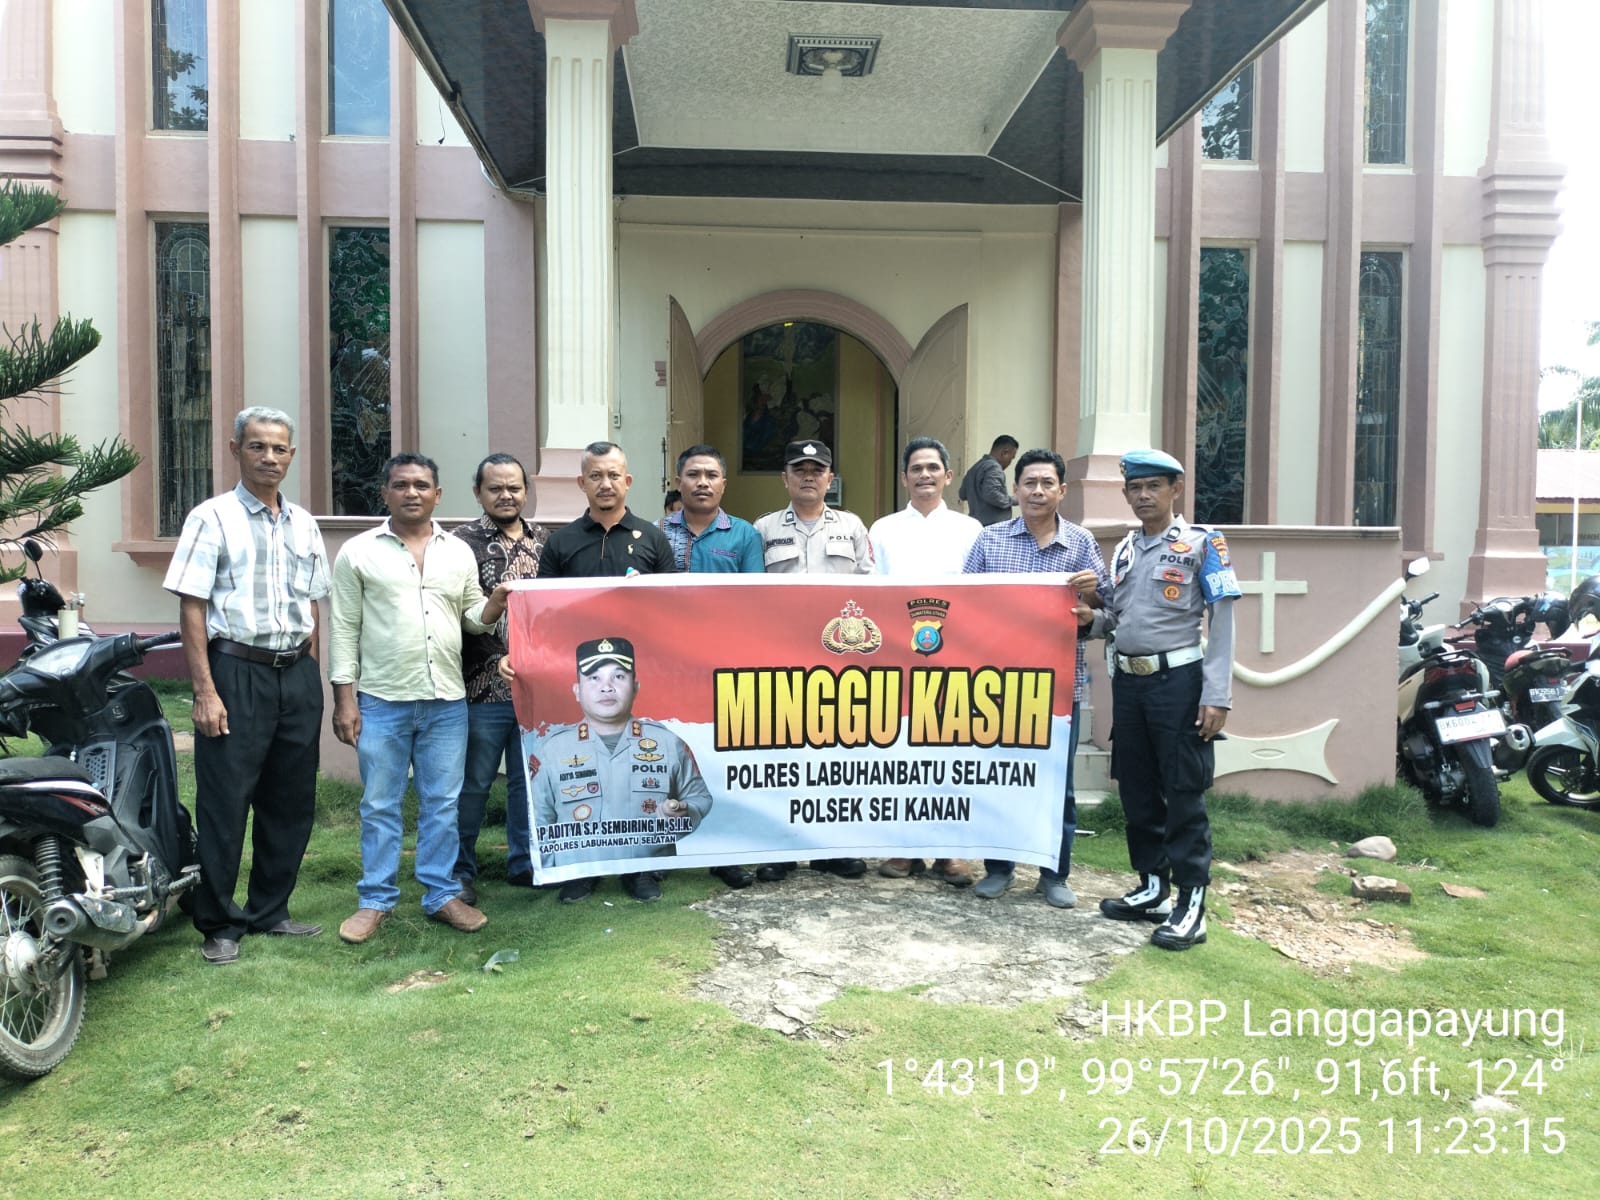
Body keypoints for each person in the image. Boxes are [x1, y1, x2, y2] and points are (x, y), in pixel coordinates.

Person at [164, 407, 330, 965]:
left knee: (290, 798)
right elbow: (192, 607)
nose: (269, 458)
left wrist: (310, 673)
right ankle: (219, 922)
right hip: (235, 671)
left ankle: (270, 910)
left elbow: (312, 604)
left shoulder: (304, 524)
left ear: (292, 455)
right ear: (235, 450)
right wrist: (205, 691)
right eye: (257, 446)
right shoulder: (211, 518)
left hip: (295, 675)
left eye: (279, 448)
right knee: (226, 801)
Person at [329, 453, 508, 944]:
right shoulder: (358, 553)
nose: (412, 492)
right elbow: (343, 629)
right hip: (382, 699)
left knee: (442, 804)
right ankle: (375, 900)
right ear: (384, 493)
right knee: (380, 804)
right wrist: (344, 700)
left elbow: (472, 618)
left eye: (422, 485)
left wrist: (494, 604)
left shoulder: (458, 552)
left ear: (438, 494)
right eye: (402, 484)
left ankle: (441, 893)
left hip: (446, 700)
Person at [1090, 449, 1240, 951]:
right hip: (1130, 685)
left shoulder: (1203, 543)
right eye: (1135, 488)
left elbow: (1223, 620)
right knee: (1136, 788)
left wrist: (1217, 695)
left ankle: (1191, 904)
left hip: (1179, 685)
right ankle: (1153, 886)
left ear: (1176, 489)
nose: (1143, 496)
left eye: (1153, 486)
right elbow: (1117, 618)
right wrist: (1089, 619)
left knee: (1182, 793)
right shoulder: (1125, 550)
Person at [962, 447, 1108, 908]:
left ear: (1062, 491)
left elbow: (1108, 609)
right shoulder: (990, 541)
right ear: (1015, 489)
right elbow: (962, 604)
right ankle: (999, 868)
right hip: (997, 687)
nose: (1038, 491)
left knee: (1057, 785)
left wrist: (1091, 603)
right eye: (1029, 483)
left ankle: (1053, 873)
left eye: (1047, 483)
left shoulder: (1081, 544)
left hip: (1061, 687)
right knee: (998, 778)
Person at [535, 440, 678, 902]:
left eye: (614, 475)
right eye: (596, 475)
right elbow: (543, 613)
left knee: (641, 773)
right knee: (582, 775)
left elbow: (671, 612)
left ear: (628, 481)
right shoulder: (560, 543)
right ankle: (584, 867)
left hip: (634, 679)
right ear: (582, 482)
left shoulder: (653, 540)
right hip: (582, 679)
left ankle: (642, 869)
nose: (605, 483)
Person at [752, 439, 872, 880]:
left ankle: (831, 849)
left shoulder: (852, 526)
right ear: (784, 478)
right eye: (799, 469)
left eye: (817, 470)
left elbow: (871, 589)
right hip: (781, 660)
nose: (808, 476)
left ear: (830, 479)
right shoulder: (762, 529)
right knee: (781, 756)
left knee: (835, 755)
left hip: (839, 663)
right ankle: (780, 849)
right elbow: (750, 596)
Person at [869, 436, 983, 886]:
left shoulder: (971, 530)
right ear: (904, 478)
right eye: (916, 468)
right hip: (898, 660)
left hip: (956, 659)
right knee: (902, 755)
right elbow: (872, 594)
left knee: (952, 754)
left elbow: (982, 596)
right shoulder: (883, 530)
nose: (924, 475)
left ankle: (951, 852)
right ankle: (905, 849)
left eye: (933, 467)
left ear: (948, 476)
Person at [661, 443, 765, 888]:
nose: (701, 482)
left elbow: (756, 602)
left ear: (723, 483)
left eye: (710, 475)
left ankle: (725, 853)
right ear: (678, 482)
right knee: (667, 758)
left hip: (725, 668)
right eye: (693, 474)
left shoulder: (743, 535)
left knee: (722, 759)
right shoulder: (654, 533)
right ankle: (663, 850)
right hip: (668, 667)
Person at [451, 453, 547, 904]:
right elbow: (459, 613)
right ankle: (459, 871)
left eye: (514, 487)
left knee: (527, 781)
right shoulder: (458, 544)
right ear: (478, 492)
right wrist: (497, 660)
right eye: (495, 488)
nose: (506, 495)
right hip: (481, 688)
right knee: (474, 783)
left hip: (535, 689)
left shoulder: (544, 541)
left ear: (526, 491)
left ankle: (525, 863)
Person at [530, 637, 712, 867]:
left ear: (635, 688)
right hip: (575, 871)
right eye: (594, 678)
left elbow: (700, 797)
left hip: (649, 869)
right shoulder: (551, 750)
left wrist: (685, 814)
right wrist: (549, 872)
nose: (606, 687)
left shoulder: (668, 743)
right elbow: (538, 819)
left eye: (618, 676)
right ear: (577, 691)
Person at [959, 435, 1020, 526]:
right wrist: (1013, 500)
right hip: (994, 528)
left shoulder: (974, 468)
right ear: (1005, 453)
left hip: (976, 526)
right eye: (1011, 458)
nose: (1010, 463)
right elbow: (991, 493)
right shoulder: (994, 468)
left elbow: (962, 494)